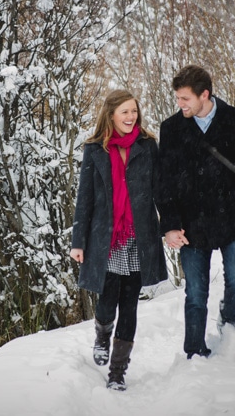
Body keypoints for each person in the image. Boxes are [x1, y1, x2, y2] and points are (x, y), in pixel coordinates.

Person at [157, 65, 235, 359]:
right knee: (195, 293)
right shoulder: (171, 128)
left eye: (185, 98)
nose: (180, 104)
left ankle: (228, 321)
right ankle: (194, 352)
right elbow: (164, 181)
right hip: (190, 226)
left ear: (204, 94)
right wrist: (170, 225)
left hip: (232, 218)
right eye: (178, 98)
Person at [70, 89, 168, 390]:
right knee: (107, 297)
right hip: (106, 237)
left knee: (130, 304)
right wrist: (78, 241)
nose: (130, 117)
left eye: (134, 111)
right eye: (124, 112)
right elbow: (84, 198)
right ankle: (101, 335)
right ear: (111, 114)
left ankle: (117, 372)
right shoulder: (95, 149)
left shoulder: (147, 146)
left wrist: (172, 225)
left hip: (139, 237)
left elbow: (161, 191)